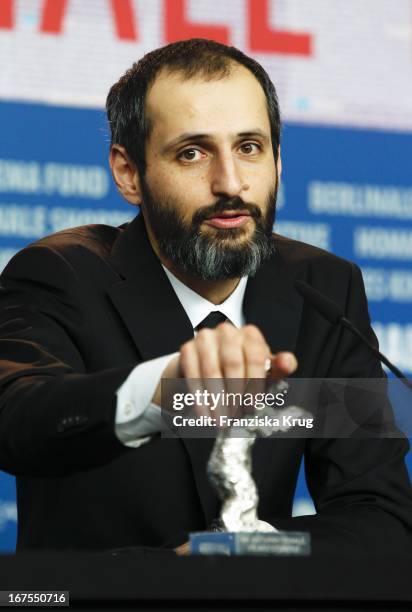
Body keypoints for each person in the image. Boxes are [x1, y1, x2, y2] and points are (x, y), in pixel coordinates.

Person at [0, 39, 410, 554]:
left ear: (278, 161)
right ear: (129, 173)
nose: (231, 183)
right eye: (192, 152)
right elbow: (17, 421)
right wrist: (163, 390)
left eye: (249, 147)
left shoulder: (322, 290)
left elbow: (378, 515)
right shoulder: (62, 274)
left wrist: (228, 555)